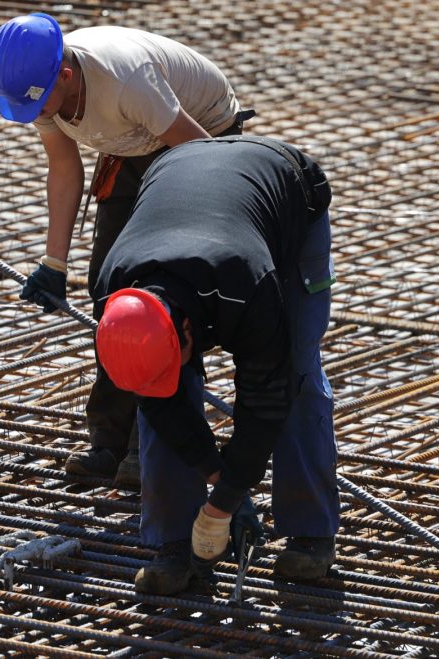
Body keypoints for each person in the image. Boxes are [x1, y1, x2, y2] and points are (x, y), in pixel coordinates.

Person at [0, 13, 254, 488]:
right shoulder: (43, 89)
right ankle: (108, 442)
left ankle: (151, 444)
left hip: (199, 140)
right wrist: (54, 262)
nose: (35, 114)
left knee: (168, 295)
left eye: (37, 102)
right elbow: (64, 170)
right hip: (132, 143)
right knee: (110, 290)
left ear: (65, 76)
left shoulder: (126, 81)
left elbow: (201, 157)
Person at [92, 135, 338, 594]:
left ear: (187, 332)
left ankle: (311, 533)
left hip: (286, 189)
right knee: (162, 396)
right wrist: (217, 474)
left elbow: (266, 398)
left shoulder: (247, 283)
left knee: (298, 375)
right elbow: (158, 401)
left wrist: (224, 501)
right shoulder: (111, 292)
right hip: (181, 177)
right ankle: (173, 544)